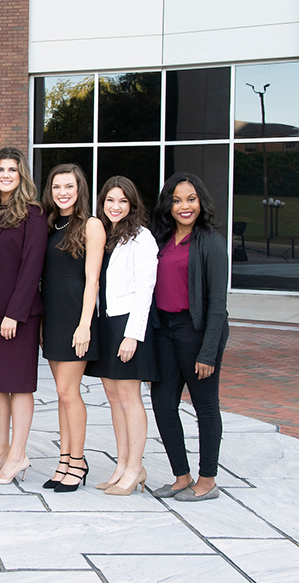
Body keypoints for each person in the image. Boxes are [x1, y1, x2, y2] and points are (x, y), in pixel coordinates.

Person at [149, 172, 229, 502]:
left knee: (205, 407)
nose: (184, 206)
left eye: (191, 199)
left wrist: (208, 352)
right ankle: (181, 476)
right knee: (163, 404)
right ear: (168, 204)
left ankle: (207, 479)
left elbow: (218, 304)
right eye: (177, 200)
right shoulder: (162, 239)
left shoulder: (210, 241)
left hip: (195, 333)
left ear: (201, 203)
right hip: (164, 331)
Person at [0, 148, 47, 486]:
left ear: (22, 176)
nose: (6, 175)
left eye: (13, 170)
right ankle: (0, 450)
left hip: (18, 315)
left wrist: (14, 314)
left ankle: (18, 454)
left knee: (17, 385)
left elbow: (33, 268)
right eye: (1, 169)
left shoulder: (32, 214)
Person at [85, 176, 159, 496]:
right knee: (114, 398)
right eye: (110, 201)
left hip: (128, 324)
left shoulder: (142, 237)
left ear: (132, 205)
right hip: (106, 321)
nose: (115, 207)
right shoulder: (106, 235)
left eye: (122, 201)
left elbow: (146, 289)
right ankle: (122, 465)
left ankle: (135, 468)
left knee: (130, 398)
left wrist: (133, 335)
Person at [40, 163, 105, 492]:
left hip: (75, 320)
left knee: (69, 393)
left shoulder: (91, 225)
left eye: (69, 187)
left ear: (80, 189)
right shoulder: (52, 225)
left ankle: (77, 462)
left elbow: (92, 279)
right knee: (62, 396)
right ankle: (64, 460)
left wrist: (84, 325)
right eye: (56, 187)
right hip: (52, 319)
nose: (62, 193)